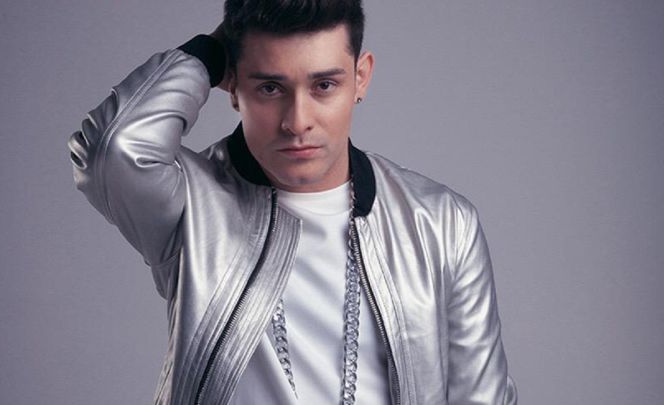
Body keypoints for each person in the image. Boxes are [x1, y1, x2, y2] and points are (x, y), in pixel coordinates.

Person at [68, 0, 518, 403]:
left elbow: (483, 399)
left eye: (324, 86)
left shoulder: (442, 223)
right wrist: (208, 54)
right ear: (232, 86)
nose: (297, 122)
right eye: (270, 88)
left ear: (360, 78)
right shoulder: (190, 206)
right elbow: (112, 149)